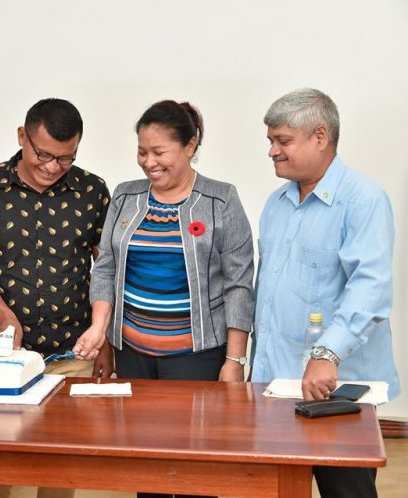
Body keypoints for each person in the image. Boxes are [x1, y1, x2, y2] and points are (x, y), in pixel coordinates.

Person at [77, 100, 254, 498]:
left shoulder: (220, 200)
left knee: (195, 467)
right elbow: (105, 268)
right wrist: (99, 328)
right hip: (135, 353)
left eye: (159, 152)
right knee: (147, 464)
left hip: (197, 356)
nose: (148, 162)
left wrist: (234, 360)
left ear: (190, 146)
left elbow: (239, 283)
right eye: (142, 151)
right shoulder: (125, 197)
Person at [251, 88, 400, 498]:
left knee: (345, 492)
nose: (272, 152)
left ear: (320, 136)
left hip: (336, 389)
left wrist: (326, 354)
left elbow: (369, 288)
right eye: (270, 142)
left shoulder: (363, 200)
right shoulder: (276, 203)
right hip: (275, 385)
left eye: (282, 141)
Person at [0, 98, 110, 498]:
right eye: (43, 154)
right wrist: (6, 318)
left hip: (74, 350)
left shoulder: (92, 190)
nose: (51, 167)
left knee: (63, 464)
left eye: (65, 158)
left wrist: (104, 336)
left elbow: (106, 271)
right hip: (5, 353)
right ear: (22, 137)